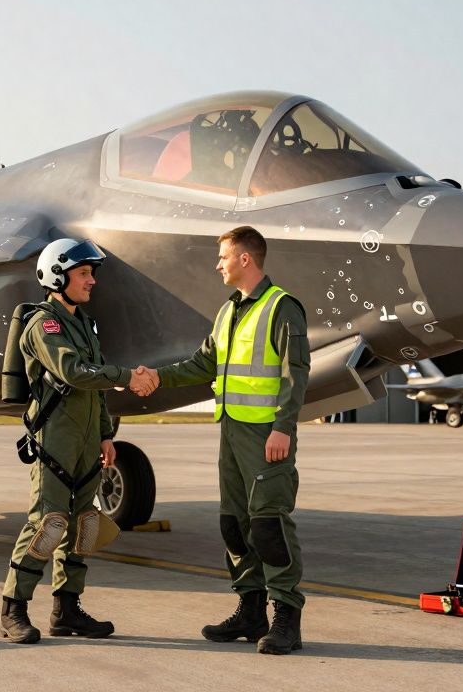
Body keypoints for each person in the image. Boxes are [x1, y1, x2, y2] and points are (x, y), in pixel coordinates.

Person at [131, 225, 310, 655]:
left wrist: (283, 428)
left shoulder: (281, 307)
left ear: (245, 259)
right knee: (234, 523)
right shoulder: (228, 311)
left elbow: (294, 373)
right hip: (231, 431)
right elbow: (203, 363)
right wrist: (157, 377)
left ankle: (286, 617)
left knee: (269, 524)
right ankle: (250, 610)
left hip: (266, 434)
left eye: (224, 256)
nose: (218, 264)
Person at [0, 237, 142, 644]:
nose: (91, 281)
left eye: (91, 273)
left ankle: (67, 610)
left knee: (83, 526)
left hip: (85, 442)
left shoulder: (84, 324)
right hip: (55, 440)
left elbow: (93, 389)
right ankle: (13, 609)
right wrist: (127, 376)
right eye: (83, 273)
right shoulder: (42, 325)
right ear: (57, 276)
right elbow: (75, 372)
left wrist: (105, 434)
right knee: (46, 525)